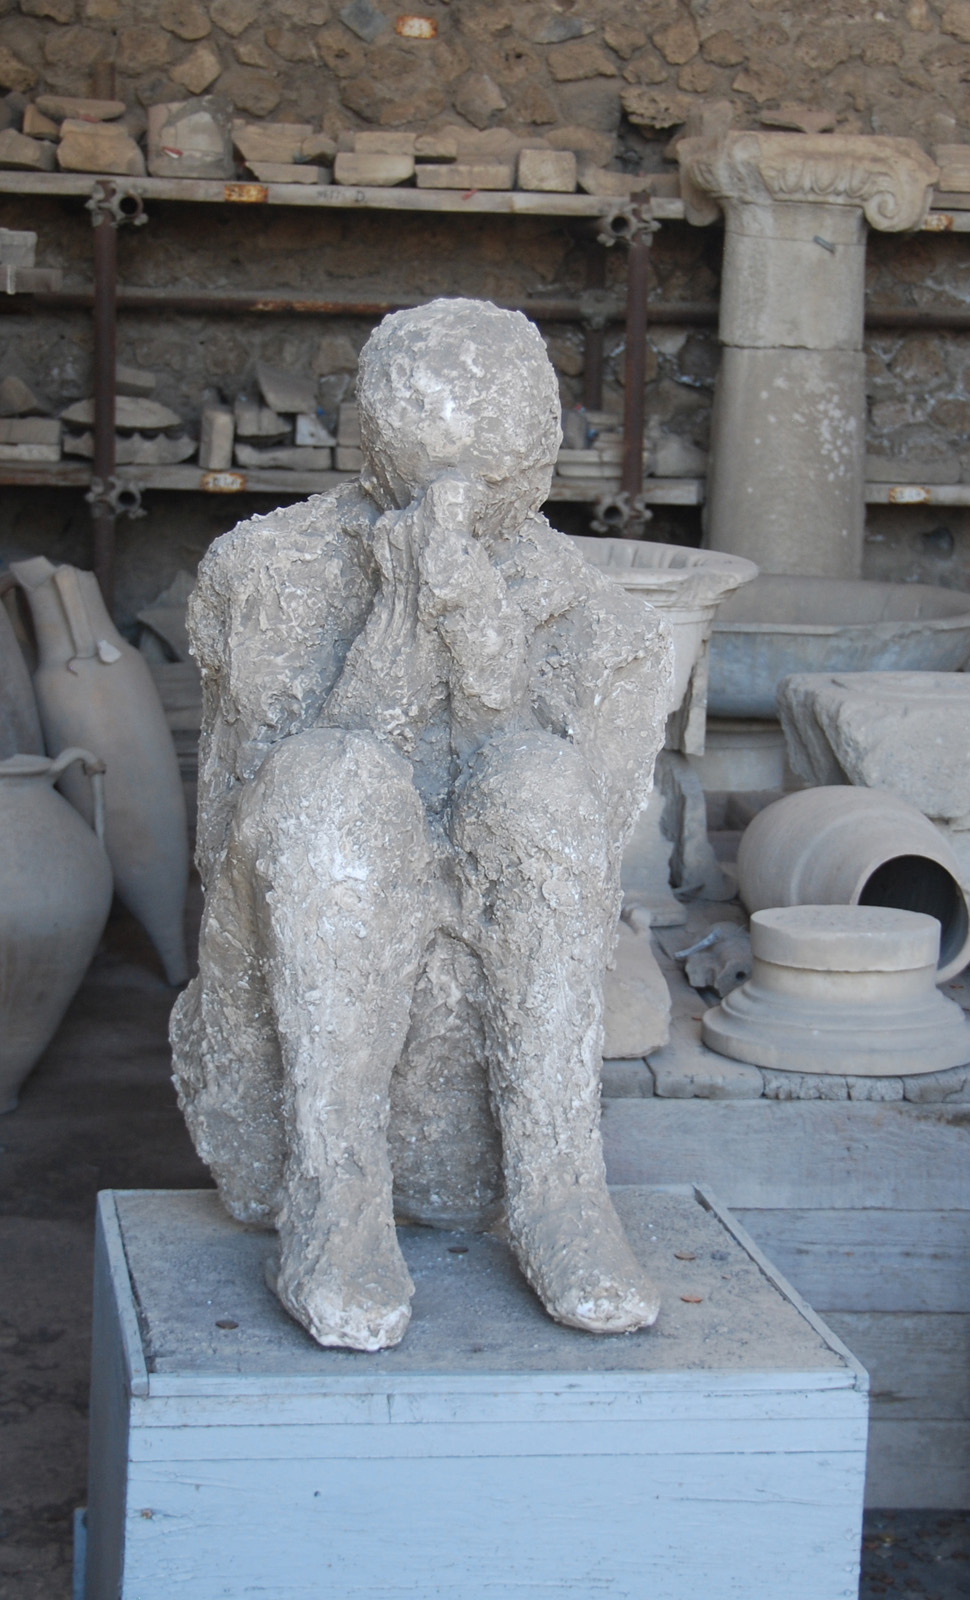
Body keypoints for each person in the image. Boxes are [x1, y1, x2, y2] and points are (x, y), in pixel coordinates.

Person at [172, 298, 674, 1351]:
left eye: (488, 479)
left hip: (487, 929)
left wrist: (489, 666)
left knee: (539, 785)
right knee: (333, 781)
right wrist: (394, 642)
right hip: (317, 911)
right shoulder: (267, 572)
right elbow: (241, 830)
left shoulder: (609, 626)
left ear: (537, 462)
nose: (459, 506)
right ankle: (335, 1197)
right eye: (430, 470)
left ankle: (558, 1190)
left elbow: (592, 847)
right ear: (372, 446)